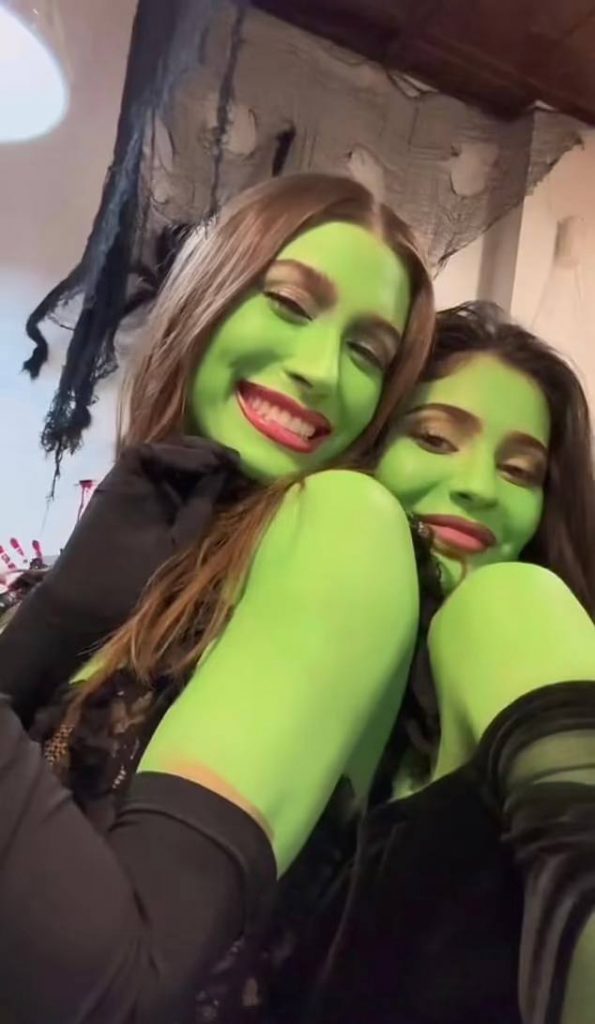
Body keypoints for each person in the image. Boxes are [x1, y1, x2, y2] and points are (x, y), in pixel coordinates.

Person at [0, 173, 434, 1023]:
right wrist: (54, 622)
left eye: (366, 354)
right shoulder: (120, 554)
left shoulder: (344, 528)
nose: (318, 372)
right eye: (290, 304)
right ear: (208, 291)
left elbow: (130, 988)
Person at [230, 302, 594, 1024]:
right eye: (432, 439)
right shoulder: (243, 635)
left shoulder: (515, 607)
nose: (479, 487)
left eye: (519, 470)